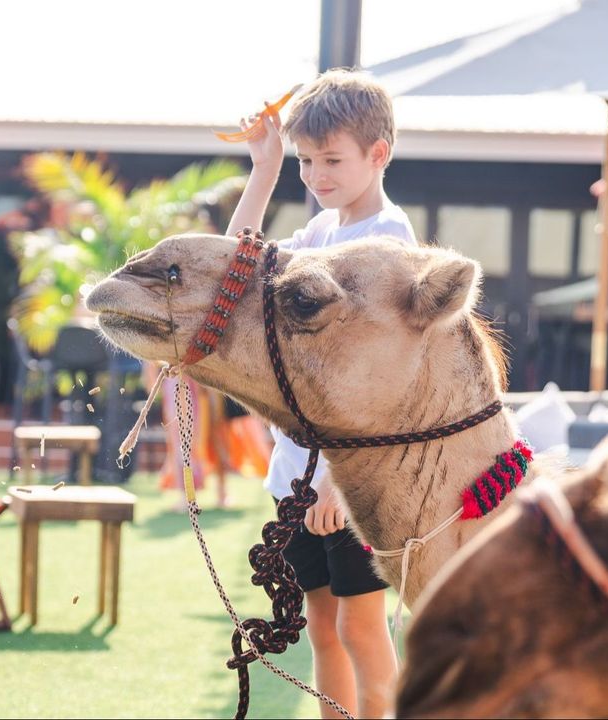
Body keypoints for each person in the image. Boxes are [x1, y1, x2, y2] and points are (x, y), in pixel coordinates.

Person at [225, 69, 416, 719]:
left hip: (353, 481)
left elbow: (385, 376)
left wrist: (342, 482)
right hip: (295, 476)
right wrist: (266, 167)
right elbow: (237, 267)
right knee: (325, 629)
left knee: (364, 630)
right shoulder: (318, 234)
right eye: (307, 159)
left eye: (331, 160)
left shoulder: (387, 239)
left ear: (378, 154)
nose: (316, 174)